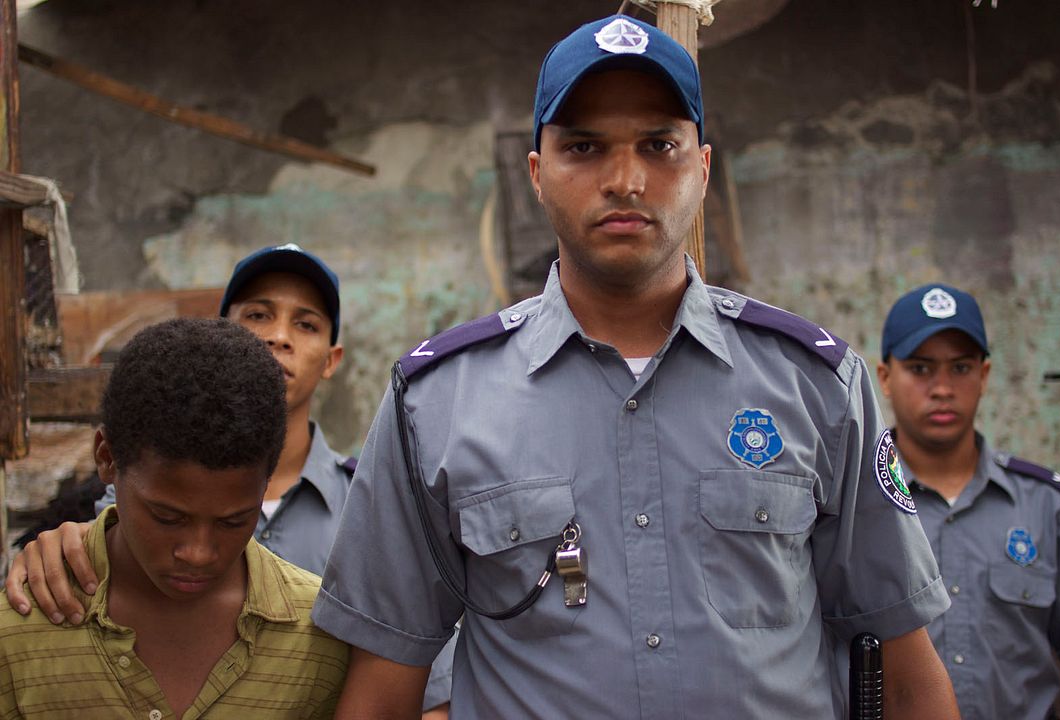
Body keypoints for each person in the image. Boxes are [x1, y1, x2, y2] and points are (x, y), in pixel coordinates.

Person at [310, 15, 960, 719]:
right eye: (584, 147)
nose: (624, 180)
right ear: (536, 173)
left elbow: (904, 671)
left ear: (703, 168)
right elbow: (383, 689)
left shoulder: (816, 385)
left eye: (660, 145)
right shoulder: (434, 402)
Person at [4, 244, 454, 716]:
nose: (279, 337)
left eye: (305, 324)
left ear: (332, 358)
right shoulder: (106, 510)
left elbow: (417, 691)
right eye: (258, 315)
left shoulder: (374, 510)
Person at [0, 318, 350, 718]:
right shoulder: (22, 628)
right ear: (106, 458)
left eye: (233, 521)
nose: (198, 553)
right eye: (167, 518)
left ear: (266, 482)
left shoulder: (321, 639)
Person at [877, 283, 1060, 719]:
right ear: (886, 378)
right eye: (921, 368)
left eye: (961, 368)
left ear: (985, 376)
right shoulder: (857, 505)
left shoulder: (1049, 506)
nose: (943, 388)